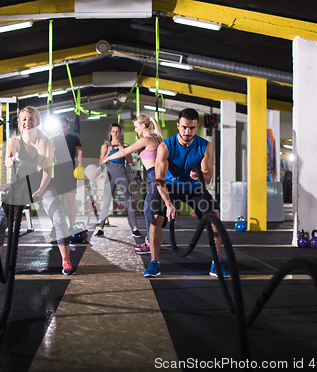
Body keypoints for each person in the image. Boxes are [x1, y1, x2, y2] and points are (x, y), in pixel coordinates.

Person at [0, 106, 75, 276]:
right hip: (20, 186)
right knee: (0, 223)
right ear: (20, 123)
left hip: (43, 184)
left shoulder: (46, 142)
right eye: (24, 119)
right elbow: (7, 163)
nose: (28, 122)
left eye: (31, 119)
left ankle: (66, 260)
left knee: (59, 217)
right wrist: (11, 159)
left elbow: (47, 171)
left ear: (38, 121)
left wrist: (40, 190)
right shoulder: (13, 142)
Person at [144, 108, 229, 279]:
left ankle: (216, 263)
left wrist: (200, 175)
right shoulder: (166, 147)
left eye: (191, 128)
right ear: (178, 126)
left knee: (214, 215)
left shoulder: (205, 146)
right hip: (169, 187)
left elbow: (209, 177)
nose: (187, 132)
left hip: (194, 188)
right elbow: (159, 180)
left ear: (197, 127)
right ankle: (154, 263)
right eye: (184, 127)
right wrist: (168, 204)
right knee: (156, 217)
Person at [102, 115, 164, 254]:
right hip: (160, 175)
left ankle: (149, 243)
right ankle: (153, 240)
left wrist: (107, 158)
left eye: (136, 127)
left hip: (155, 175)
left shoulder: (146, 140)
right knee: (156, 212)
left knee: (148, 210)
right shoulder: (157, 138)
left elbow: (124, 152)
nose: (136, 130)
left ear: (143, 126)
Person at [94, 123, 142, 238]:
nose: (115, 133)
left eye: (117, 131)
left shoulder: (125, 145)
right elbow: (101, 163)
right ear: (110, 133)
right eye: (113, 131)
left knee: (129, 201)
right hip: (109, 175)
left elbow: (130, 162)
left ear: (120, 133)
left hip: (122, 174)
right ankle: (101, 228)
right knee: (106, 202)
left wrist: (123, 151)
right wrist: (108, 152)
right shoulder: (105, 146)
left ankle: (135, 229)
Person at [52, 116, 84, 232]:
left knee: (71, 200)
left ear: (68, 126)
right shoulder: (53, 139)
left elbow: (79, 152)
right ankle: (57, 226)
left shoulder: (74, 138)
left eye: (64, 126)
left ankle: (71, 226)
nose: (62, 128)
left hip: (70, 172)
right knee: (57, 202)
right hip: (58, 172)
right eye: (60, 126)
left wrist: (80, 165)